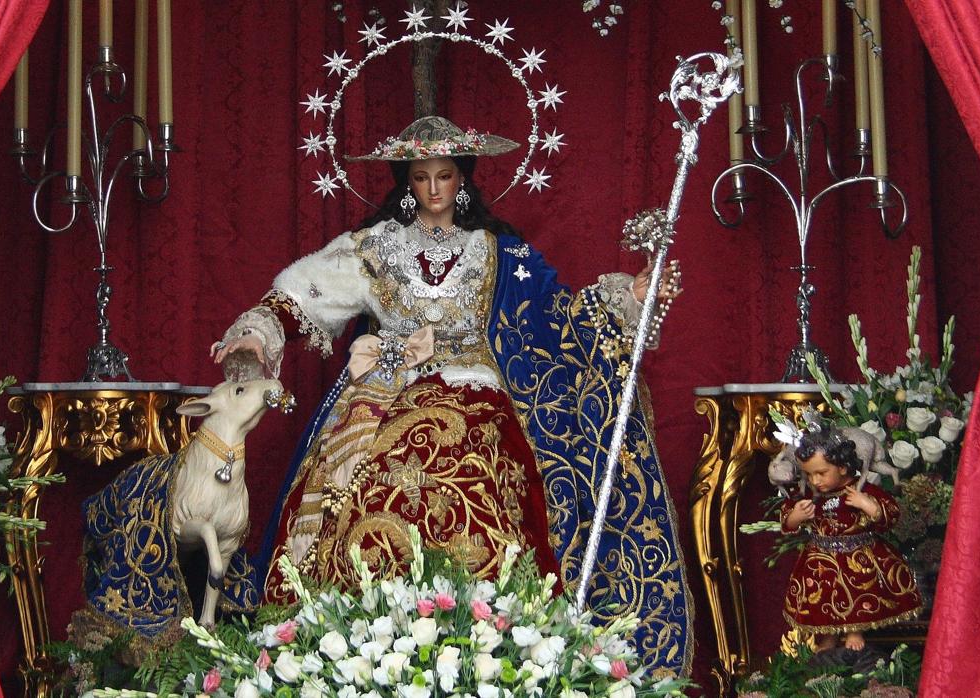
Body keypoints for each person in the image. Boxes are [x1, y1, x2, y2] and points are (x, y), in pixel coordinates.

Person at [212, 116, 690, 675]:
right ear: (406, 183)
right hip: (385, 389)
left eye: (445, 176)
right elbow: (298, 297)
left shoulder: (496, 252)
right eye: (421, 177)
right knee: (362, 478)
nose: (434, 190)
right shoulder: (373, 248)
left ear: (463, 179)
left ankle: (490, 642)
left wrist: (631, 295)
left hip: (476, 388)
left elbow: (555, 316)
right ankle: (345, 643)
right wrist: (255, 333)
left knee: (476, 460)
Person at [781, 426, 922, 651]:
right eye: (809, 475)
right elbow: (788, 520)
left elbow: (890, 513)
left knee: (857, 588)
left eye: (821, 473)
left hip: (857, 555)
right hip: (819, 558)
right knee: (823, 596)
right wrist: (796, 516)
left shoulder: (859, 489)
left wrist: (867, 505)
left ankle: (854, 630)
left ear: (844, 468)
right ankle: (828, 634)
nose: (815, 481)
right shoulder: (811, 496)